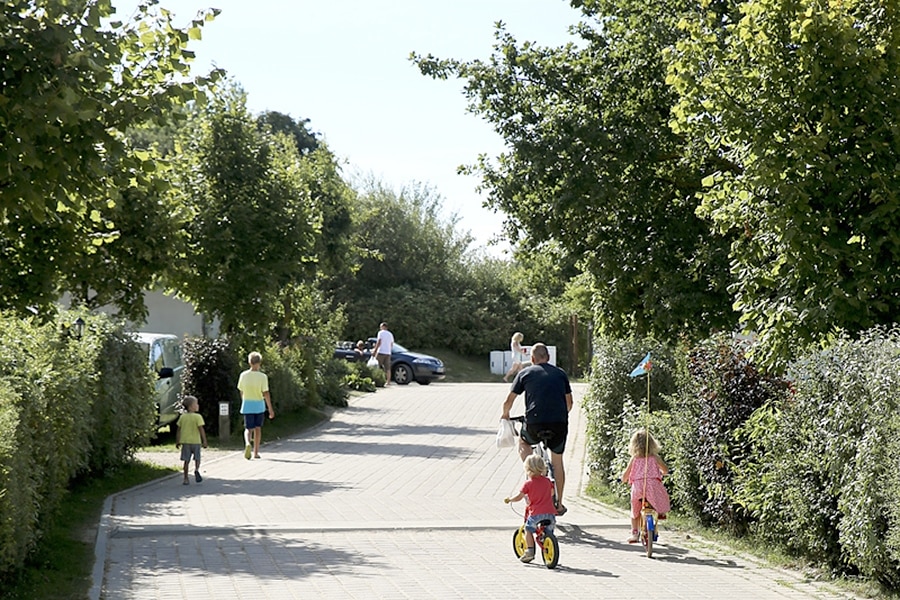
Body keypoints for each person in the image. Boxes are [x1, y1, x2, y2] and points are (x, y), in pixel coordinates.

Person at [500, 343, 573, 515]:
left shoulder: (525, 373)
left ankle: (534, 468)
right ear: (548, 358)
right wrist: (561, 415)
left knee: (523, 444)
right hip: (559, 424)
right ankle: (559, 505)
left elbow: (508, 401)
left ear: (532, 359)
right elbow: (569, 403)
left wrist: (505, 415)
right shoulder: (560, 374)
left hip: (534, 423)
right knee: (558, 462)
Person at [504, 454, 557, 563]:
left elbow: (519, 497)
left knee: (528, 529)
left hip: (536, 513)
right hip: (550, 513)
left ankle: (530, 551)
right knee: (547, 531)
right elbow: (552, 493)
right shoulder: (547, 481)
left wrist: (510, 499)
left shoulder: (528, 484)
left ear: (527, 469)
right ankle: (547, 540)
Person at [621, 428, 671, 543]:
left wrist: (623, 479)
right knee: (661, 496)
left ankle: (634, 533)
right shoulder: (655, 457)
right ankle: (660, 512)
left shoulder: (634, 459)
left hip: (638, 487)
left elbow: (626, 475)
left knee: (635, 511)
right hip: (652, 486)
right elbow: (665, 470)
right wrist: (663, 472)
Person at [237, 351, 275, 460]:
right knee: (258, 429)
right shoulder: (263, 377)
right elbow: (266, 393)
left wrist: (243, 400)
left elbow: (241, 390)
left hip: (247, 404)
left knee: (248, 428)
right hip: (259, 405)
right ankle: (256, 452)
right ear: (259, 363)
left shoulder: (243, 375)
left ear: (249, 362)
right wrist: (270, 409)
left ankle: (247, 443)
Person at [175, 395, 208, 485]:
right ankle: (196, 469)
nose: (198, 405)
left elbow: (179, 429)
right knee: (197, 458)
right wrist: (204, 440)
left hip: (185, 441)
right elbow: (201, 429)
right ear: (191, 407)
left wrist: (177, 441)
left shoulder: (182, 417)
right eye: (196, 404)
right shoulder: (198, 417)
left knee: (186, 460)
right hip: (196, 441)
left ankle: (185, 478)